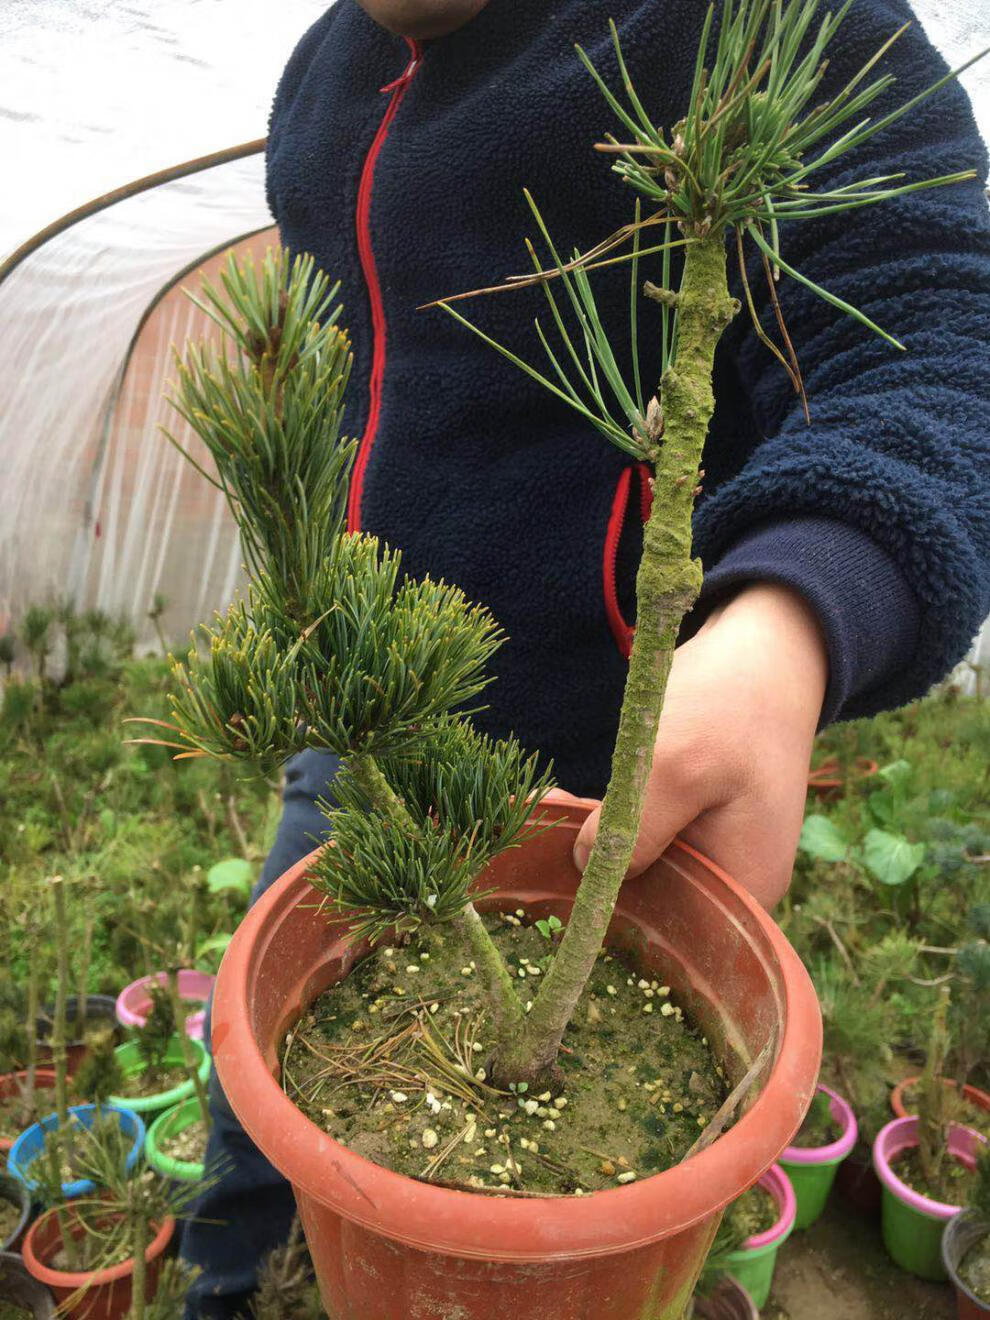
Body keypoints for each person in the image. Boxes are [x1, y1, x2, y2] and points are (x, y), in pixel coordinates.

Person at [180, 0, 990, 1314]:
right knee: (255, 1088)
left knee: (561, 1216)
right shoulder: (322, 72)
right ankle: (218, 1286)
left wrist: (795, 620)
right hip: (367, 730)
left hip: (624, 769)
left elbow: (938, 338)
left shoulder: (751, 21)